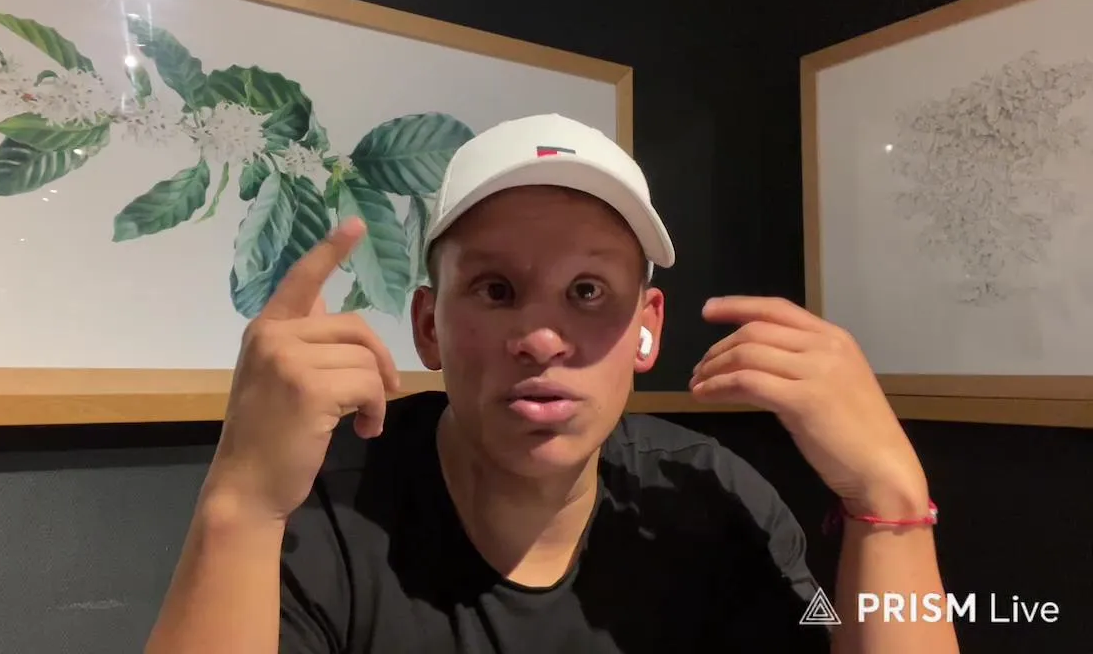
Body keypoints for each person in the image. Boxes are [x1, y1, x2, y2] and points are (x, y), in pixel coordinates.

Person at [145, 114, 960, 653]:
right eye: (496, 289)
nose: (541, 337)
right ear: (428, 326)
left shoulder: (716, 496)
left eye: (587, 291)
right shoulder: (325, 512)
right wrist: (240, 502)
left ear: (647, 328)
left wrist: (890, 496)